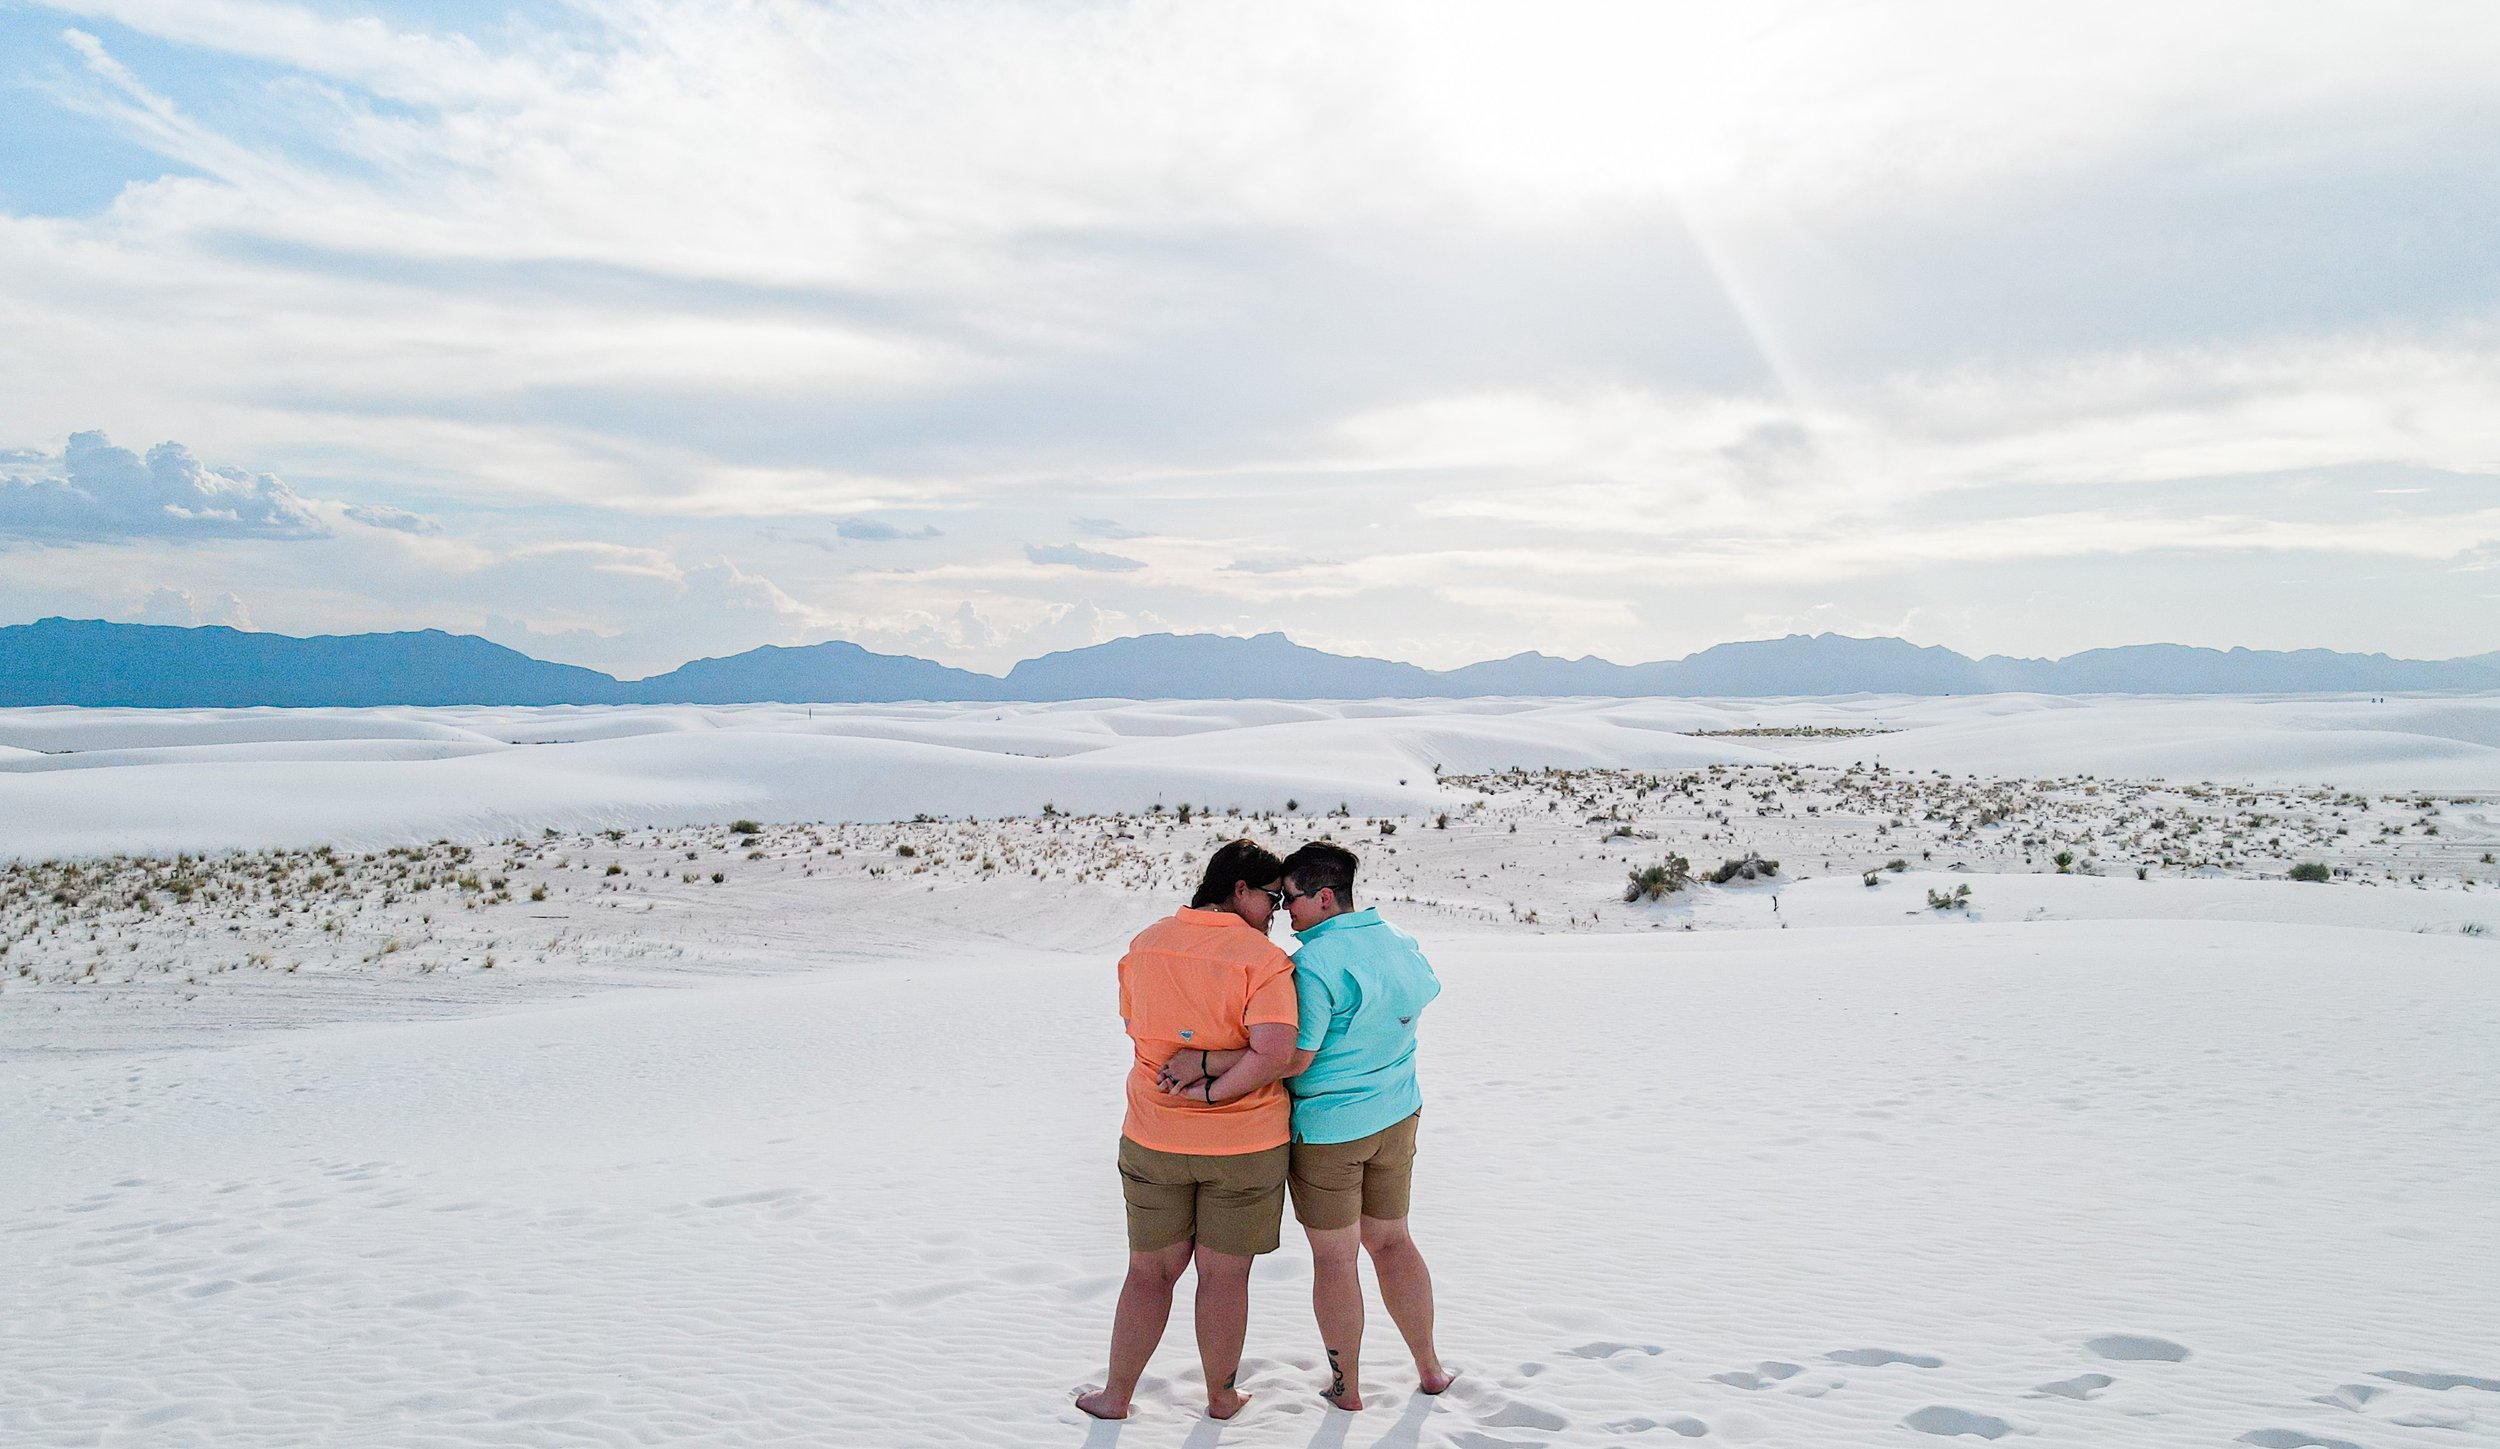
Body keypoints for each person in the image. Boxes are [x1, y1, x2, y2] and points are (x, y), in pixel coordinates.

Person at [1159, 840, 1453, 1411]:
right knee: (1393, 1242)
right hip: (1398, 1114)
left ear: (1323, 897)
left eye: (1290, 899)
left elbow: (1291, 1058)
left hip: (1330, 1135)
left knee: (1337, 1260)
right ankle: (1430, 1367)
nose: (1283, 913)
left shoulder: (1313, 964)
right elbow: (1415, 1002)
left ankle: (1348, 1390)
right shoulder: (1398, 940)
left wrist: (1207, 1064)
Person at [1076, 839, 1303, 1422]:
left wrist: (1192, 1063)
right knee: (1224, 1279)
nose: (1275, 910)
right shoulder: (1263, 959)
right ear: (1239, 890)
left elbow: (1134, 1024)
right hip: (1245, 1145)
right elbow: (1275, 1050)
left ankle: (1116, 1396)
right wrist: (1213, 1088)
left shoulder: (1144, 944)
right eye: (1272, 897)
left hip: (1153, 1135)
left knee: (1148, 1274)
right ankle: (1222, 1397)